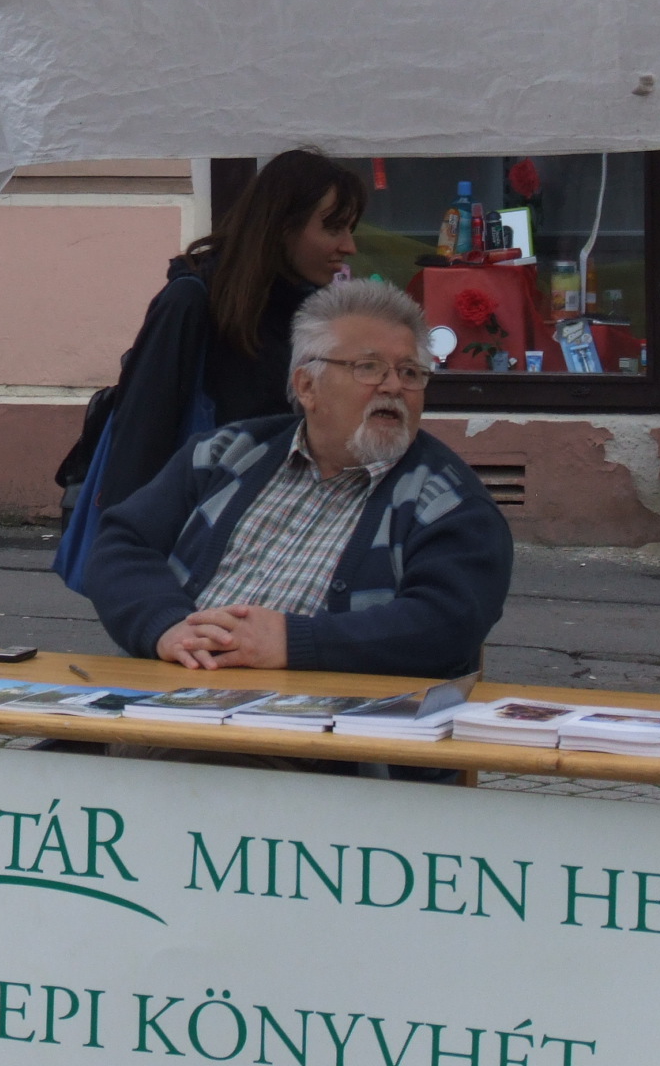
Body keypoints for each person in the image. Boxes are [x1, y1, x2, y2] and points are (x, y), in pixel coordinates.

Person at [85, 280, 511, 677]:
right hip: (171, 695)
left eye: (410, 372)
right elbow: (122, 543)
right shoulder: (225, 454)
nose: (394, 386)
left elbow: (448, 622)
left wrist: (297, 642)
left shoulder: (449, 502)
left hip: (321, 723)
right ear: (307, 386)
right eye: (369, 367)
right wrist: (166, 626)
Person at [80, 151, 369, 519]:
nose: (349, 246)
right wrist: (126, 540)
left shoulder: (313, 314)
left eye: (350, 229)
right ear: (282, 224)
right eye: (333, 228)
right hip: (193, 527)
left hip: (279, 524)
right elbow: (140, 438)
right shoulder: (192, 301)